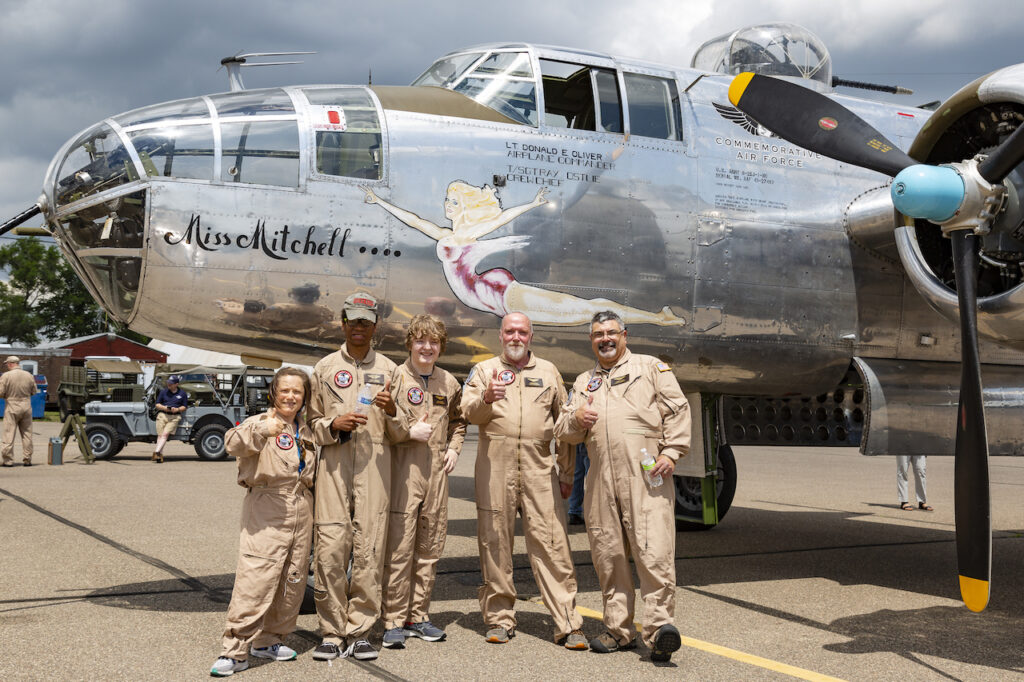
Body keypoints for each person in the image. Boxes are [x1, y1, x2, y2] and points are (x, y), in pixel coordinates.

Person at [555, 310, 688, 663]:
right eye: (598, 334)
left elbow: (678, 410)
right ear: (591, 341)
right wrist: (577, 419)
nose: (605, 339)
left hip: (645, 478)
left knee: (654, 552)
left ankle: (660, 631)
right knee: (609, 555)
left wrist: (672, 452)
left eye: (611, 332)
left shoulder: (651, 368)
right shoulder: (585, 381)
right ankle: (619, 630)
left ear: (625, 335)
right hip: (600, 479)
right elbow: (564, 429)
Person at [363, 182, 683, 326]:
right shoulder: (448, 235)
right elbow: (415, 221)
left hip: (497, 293)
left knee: (583, 311)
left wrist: (532, 204)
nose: (447, 206)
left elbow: (502, 218)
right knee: (582, 311)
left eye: (453, 202)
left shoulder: (472, 233)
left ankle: (656, 318)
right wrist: (379, 202)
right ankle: (656, 317)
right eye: (448, 201)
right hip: (489, 294)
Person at [461, 312, 588, 650]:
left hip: (538, 468)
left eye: (521, 332)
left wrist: (565, 473)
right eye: (509, 332)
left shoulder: (548, 372)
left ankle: (568, 623)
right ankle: (500, 619)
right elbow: (468, 412)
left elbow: (564, 424)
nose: (515, 337)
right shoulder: (484, 371)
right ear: (500, 336)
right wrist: (486, 398)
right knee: (494, 543)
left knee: (552, 544)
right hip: (495, 467)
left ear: (531, 336)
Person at [307, 291, 403, 662]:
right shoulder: (324, 368)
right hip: (334, 466)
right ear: (343, 323)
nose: (358, 327)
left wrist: (393, 410)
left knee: (369, 549)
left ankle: (361, 630)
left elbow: (403, 430)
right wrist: (334, 423)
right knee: (331, 549)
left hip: (375, 467)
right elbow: (308, 425)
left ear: (375, 326)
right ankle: (331, 631)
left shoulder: (393, 371)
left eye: (366, 321)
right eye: (352, 320)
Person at [210, 367, 317, 677]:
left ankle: (269, 640)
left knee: (293, 579)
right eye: (285, 390)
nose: (291, 396)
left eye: (297, 391)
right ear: (274, 392)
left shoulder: (306, 430)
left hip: (301, 505)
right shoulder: (261, 422)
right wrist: (262, 431)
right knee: (256, 578)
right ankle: (234, 651)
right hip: (267, 504)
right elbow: (232, 442)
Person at [381, 314, 467, 649]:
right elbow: (379, 423)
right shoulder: (395, 378)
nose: (426, 347)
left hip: (436, 476)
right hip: (403, 474)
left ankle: (418, 616)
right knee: (400, 550)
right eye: (420, 340)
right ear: (410, 343)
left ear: (441, 346)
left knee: (429, 549)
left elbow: (460, 420)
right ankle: (392, 620)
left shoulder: (449, 383)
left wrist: (455, 448)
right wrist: (405, 430)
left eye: (433, 342)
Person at [0, 356, 38, 467]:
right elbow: (34, 391)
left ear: (11, 363)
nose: (7, 365)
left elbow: (1, 392)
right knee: (27, 434)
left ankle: (8, 460)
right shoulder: (29, 375)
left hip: (12, 405)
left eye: (7, 363)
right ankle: (27, 459)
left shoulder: (6, 376)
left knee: (9, 433)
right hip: (26, 405)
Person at [152, 375, 188, 463]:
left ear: (176, 384)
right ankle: (159, 456)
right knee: (160, 435)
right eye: (168, 383)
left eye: (171, 383)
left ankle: (156, 452)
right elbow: (157, 404)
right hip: (163, 415)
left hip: (175, 417)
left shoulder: (182, 393)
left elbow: (185, 406)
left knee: (165, 435)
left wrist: (178, 409)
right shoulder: (163, 392)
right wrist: (165, 408)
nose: (168, 384)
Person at [566, 443, 589, 527]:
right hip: (589, 435)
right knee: (591, 475)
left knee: (577, 473)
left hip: (576, 435)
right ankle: (592, 513)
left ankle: (574, 511)